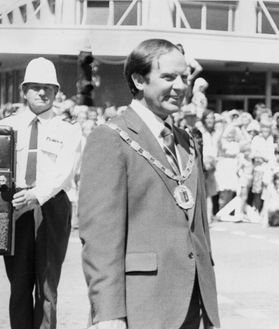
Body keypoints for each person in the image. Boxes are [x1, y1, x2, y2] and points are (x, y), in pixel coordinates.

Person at [78, 39, 220, 329]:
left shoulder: (188, 140)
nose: (180, 86)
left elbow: (198, 227)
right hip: (141, 306)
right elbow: (100, 238)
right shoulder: (110, 137)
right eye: (168, 77)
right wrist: (108, 313)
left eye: (184, 77)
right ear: (139, 80)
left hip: (193, 302)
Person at [0, 57, 82, 329]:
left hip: (51, 206)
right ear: (24, 91)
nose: (42, 92)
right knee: (19, 284)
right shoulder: (7, 127)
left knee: (47, 286)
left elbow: (64, 172)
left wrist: (37, 195)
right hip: (15, 206)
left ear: (57, 93)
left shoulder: (67, 130)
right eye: (35, 86)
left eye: (48, 87)